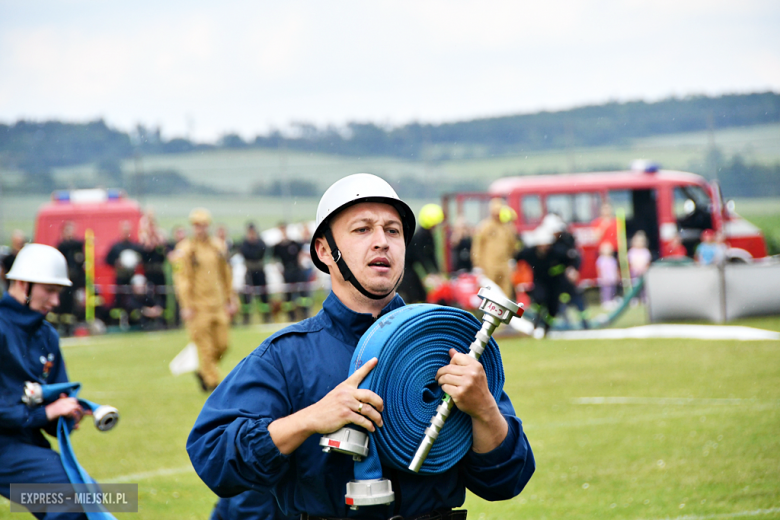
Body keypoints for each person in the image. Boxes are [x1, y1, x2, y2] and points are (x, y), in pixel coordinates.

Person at [187, 173, 534, 519]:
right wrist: (309, 419)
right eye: (362, 229)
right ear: (324, 250)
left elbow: (506, 480)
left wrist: (484, 408)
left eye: (393, 230)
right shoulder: (286, 356)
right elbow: (212, 456)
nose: (382, 241)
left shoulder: (449, 342)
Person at [0, 243, 90, 519]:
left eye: (58, 293)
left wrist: (68, 414)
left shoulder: (47, 335)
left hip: (24, 441)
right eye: (49, 291)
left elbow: (53, 400)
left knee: (83, 498)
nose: (55, 302)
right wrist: (47, 412)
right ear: (21, 284)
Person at [173, 208, 238, 392]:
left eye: (202, 225)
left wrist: (230, 299)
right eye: (195, 225)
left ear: (207, 226)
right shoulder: (185, 250)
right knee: (205, 348)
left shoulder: (218, 247)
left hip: (218, 305)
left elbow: (226, 276)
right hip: (198, 307)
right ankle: (213, 384)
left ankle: (205, 371)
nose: (199, 229)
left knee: (223, 345)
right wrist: (186, 305)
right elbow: (182, 280)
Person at [398, 203, 443, 304]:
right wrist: (430, 273)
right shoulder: (421, 236)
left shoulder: (428, 235)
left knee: (420, 294)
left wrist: (437, 272)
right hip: (406, 268)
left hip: (410, 267)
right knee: (415, 293)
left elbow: (431, 256)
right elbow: (421, 256)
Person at [471, 198, 517, 297]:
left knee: (505, 291)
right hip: (488, 264)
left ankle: (503, 311)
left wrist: (511, 259)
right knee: (490, 290)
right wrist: (477, 264)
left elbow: (512, 245)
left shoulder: (507, 227)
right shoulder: (485, 226)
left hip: (504, 264)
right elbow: (477, 247)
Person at [271, 224, 307, 322]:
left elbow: (302, 251)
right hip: (287, 271)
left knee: (302, 293)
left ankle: (304, 313)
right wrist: (279, 270)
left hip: (296, 270)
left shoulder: (294, 243)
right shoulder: (277, 247)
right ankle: (291, 316)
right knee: (288, 295)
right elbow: (274, 259)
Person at [105, 220, 140, 317]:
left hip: (132, 278)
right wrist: (116, 263)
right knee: (119, 299)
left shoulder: (135, 246)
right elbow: (107, 260)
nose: (126, 234)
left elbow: (142, 259)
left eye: (128, 231)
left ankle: (132, 318)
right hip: (120, 277)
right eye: (125, 231)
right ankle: (117, 320)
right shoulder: (116, 246)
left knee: (132, 299)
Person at [55, 222, 85, 336]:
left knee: (76, 304)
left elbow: (81, 260)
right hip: (65, 281)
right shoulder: (62, 246)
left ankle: (74, 325)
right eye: (68, 231)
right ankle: (65, 327)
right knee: (65, 304)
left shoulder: (77, 246)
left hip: (76, 281)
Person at [239, 223, 271, 325]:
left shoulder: (260, 243)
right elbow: (247, 253)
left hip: (259, 271)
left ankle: (266, 317)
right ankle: (246, 318)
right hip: (250, 271)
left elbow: (260, 252)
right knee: (247, 296)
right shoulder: (245, 243)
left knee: (263, 295)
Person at [596, 242, 620, 308]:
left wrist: (617, 276)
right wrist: (601, 277)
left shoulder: (612, 259)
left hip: (612, 278)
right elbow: (599, 269)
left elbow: (615, 268)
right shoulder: (601, 259)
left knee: (613, 289)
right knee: (606, 290)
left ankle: (612, 300)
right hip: (605, 278)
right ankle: (606, 301)